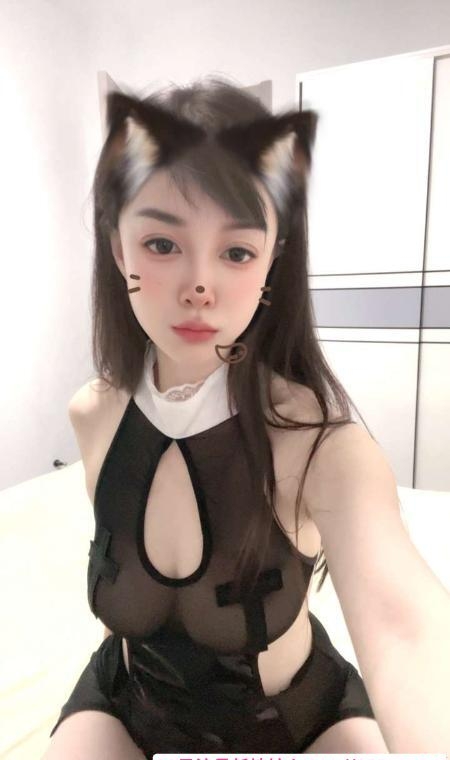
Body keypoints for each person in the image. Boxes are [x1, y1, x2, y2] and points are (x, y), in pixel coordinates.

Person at [42, 76, 450, 758]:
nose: (199, 286)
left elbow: (405, 629)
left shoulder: (317, 443)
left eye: (236, 252)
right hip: (129, 700)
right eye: (162, 244)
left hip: (295, 717)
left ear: (269, 266)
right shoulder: (94, 415)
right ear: (118, 250)